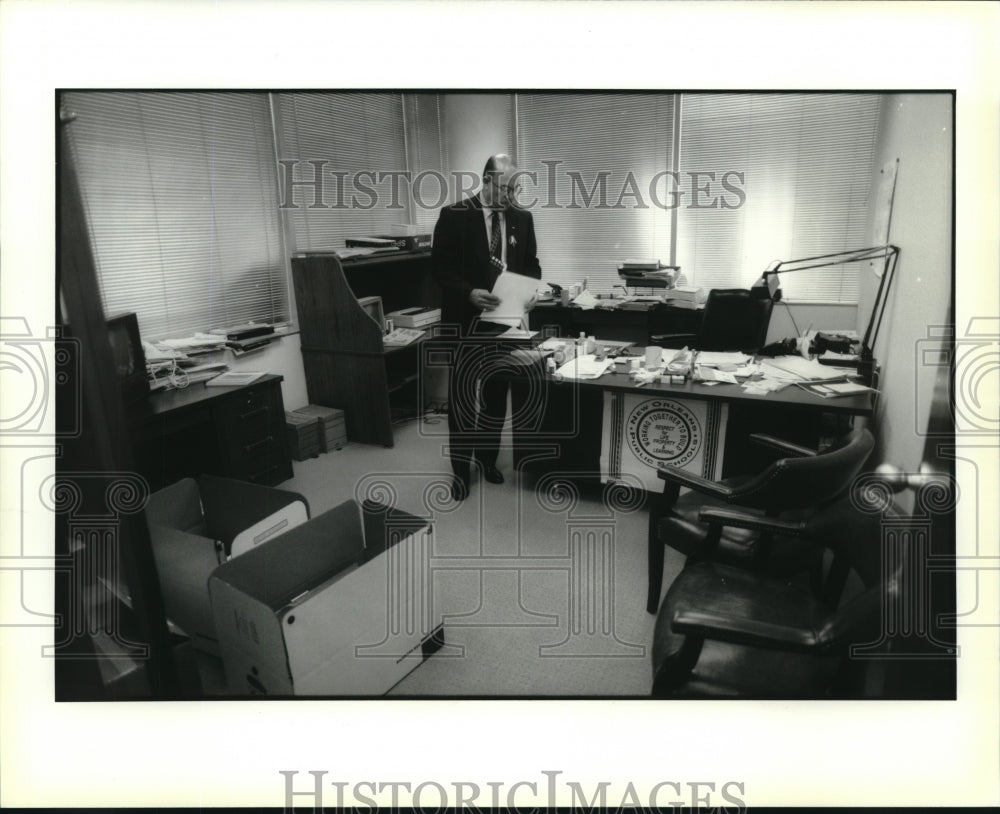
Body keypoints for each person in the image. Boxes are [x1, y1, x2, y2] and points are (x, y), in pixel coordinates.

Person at [431, 153, 542, 501]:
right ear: (488, 180)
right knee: (464, 401)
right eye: (507, 187)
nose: (511, 195)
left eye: (516, 188)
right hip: (466, 322)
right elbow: (440, 270)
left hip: (505, 325)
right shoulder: (454, 216)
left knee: (495, 398)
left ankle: (487, 460)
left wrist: (532, 292)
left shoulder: (522, 219)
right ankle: (461, 473)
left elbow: (532, 266)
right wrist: (469, 293)